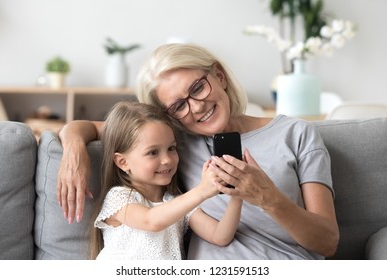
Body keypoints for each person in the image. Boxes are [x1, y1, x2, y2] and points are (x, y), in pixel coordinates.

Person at [58, 43, 339, 260]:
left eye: (197, 88)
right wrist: (73, 150)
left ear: (219, 76)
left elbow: (328, 242)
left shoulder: (297, 134)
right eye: (179, 105)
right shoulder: (172, 142)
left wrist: (268, 198)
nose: (196, 107)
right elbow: (91, 128)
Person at [89, 101, 242, 260]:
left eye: (171, 148)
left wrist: (237, 197)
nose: (167, 160)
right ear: (123, 162)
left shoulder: (176, 203)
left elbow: (220, 236)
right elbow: (151, 221)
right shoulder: (119, 198)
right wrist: (202, 191)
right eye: (153, 152)